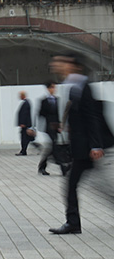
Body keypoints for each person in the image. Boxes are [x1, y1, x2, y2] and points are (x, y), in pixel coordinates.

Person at [49, 53, 109, 235]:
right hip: (82, 148)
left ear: (74, 65)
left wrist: (96, 146)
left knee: (73, 184)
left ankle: (73, 223)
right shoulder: (73, 86)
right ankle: (72, 222)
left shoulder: (83, 86)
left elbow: (92, 117)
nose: (57, 65)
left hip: (86, 149)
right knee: (101, 186)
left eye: (61, 62)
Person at [38, 82, 68, 176]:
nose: (54, 89)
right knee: (55, 145)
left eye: (54, 87)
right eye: (52, 87)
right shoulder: (44, 101)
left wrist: (60, 125)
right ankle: (63, 167)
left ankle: (42, 166)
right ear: (48, 89)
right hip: (48, 127)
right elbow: (40, 114)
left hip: (56, 127)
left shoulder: (57, 100)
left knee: (52, 148)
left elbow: (59, 114)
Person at [15, 91, 34, 156]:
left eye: (20, 95)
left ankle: (23, 151)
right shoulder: (26, 103)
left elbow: (25, 114)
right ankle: (23, 150)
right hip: (25, 124)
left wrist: (23, 123)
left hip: (25, 125)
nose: (19, 97)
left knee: (24, 138)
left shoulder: (26, 104)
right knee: (25, 138)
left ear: (23, 96)